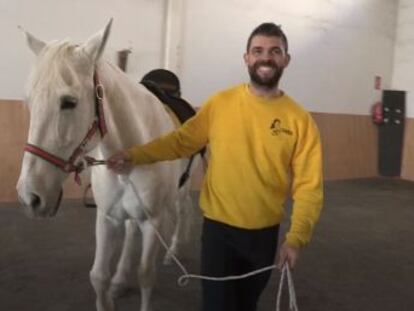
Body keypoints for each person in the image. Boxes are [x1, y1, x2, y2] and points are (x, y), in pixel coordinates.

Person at [107, 22, 323, 311]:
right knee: (216, 305)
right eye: (257, 51)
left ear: (286, 59)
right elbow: (181, 142)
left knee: (246, 304)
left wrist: (296, 238)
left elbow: (309, 186)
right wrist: (134, 155)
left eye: (275, 51)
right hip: (218, 232)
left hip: (264, 234)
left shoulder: (300, 120)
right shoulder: (220, 104)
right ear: (246, 58)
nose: (266, 57)